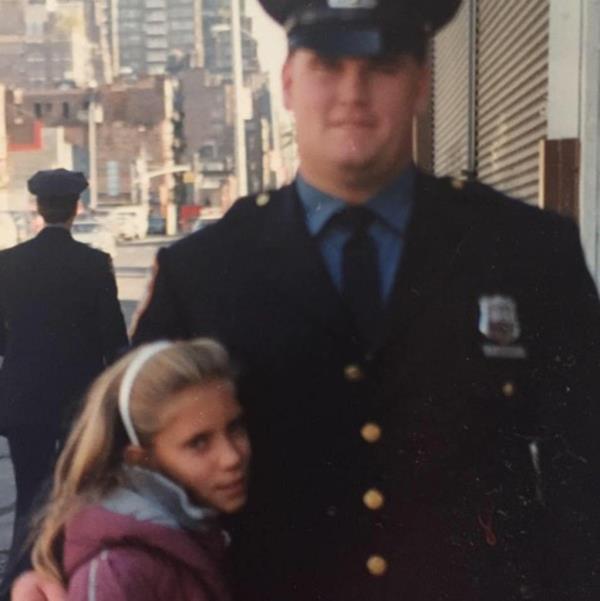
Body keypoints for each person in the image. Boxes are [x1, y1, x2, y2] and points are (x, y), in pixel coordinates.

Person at [126, 1, 599, 600]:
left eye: (381, 66)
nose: (354, 92)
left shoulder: (527, 250)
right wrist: (43, 564)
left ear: (422, 83)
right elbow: (121, 452)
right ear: (289, 83)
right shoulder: (203, 270)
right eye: (327, 65)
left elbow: (585, 458)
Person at [26, 339, 250, 601]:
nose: (231, 457)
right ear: (143, 460)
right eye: (198, 443)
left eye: (234, 427)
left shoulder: (200, 531)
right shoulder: (120, 575)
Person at [0, 168, 128, 597]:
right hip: (80, 403)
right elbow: (115, 341)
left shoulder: (7, 264)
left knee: (30, 493)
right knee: (80, 492)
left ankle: (18, 582)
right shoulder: (94, 265)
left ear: (38, 207)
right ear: (76, 209)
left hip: (24, 400)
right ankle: (76, 580)